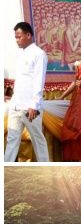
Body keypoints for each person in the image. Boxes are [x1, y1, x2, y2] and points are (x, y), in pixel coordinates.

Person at [5, 22, 50, 162]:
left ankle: (47, 169)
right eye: (16, 37)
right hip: (16, 106)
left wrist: (34, 105)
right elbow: (21, 81)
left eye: (19, 37)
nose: (17, 40)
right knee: (12, 140)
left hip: (30, 107)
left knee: (38, 140)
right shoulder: (21, 54)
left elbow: (38, 80)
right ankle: (5, 169)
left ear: (28, 35)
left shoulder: (39, 54)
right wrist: (12, 99)